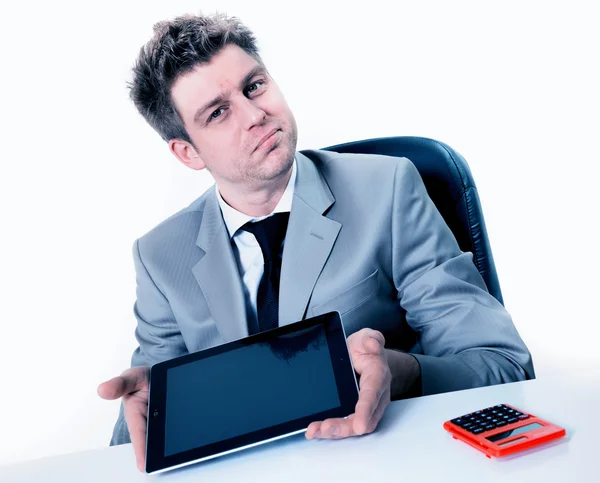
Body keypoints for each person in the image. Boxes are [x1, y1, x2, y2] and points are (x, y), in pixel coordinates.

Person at [97, 12, 535, 472]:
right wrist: (154, 411)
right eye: (218, 112)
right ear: (188, 151)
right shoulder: (161, 256)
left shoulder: (387, 189)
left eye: (255, 86)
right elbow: (131, 443)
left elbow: (503, 365)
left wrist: (403, 371)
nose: (255, 115)